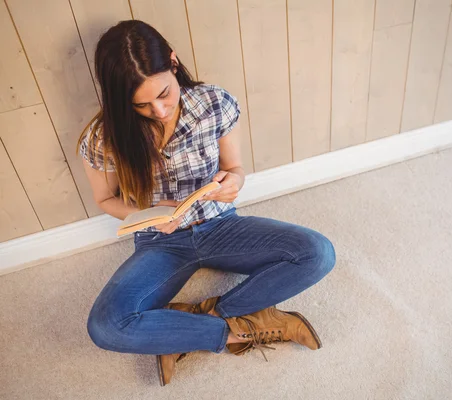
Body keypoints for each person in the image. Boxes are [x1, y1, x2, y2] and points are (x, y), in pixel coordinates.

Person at [78, 20, 336, 386]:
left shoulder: (214, 102)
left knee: (317, 253)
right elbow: (105, 199)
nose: (161, 110)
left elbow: (235, 169)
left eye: (165, 93)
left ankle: (192, 322)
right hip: (161, 242)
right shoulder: (104, 137)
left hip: (220, 225)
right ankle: (234, 331)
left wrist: (234, 183)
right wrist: (146, 216)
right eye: (142, 105)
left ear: (173, 61)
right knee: (105, 325)